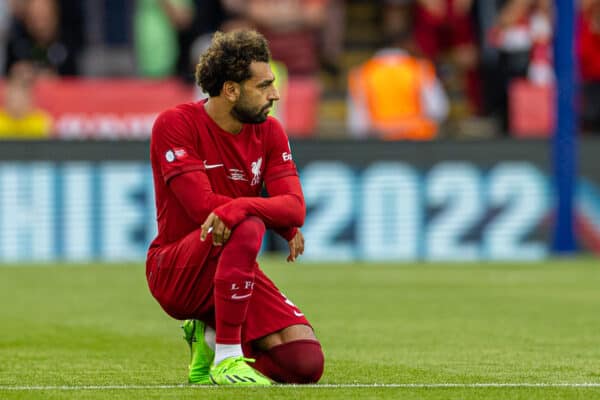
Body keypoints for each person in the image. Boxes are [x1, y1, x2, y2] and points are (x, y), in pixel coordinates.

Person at [146, 30, 324, 386]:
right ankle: (228, 358)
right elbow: (202, 210)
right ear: (230, 90)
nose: (275, 94)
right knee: (248, 226)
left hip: (234, 269)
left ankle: (209, 341)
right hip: (177, 269)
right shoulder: (175, 124)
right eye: (264, 85)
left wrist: (248, 207)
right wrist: (261, 215)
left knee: (305, 363)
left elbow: (294, 208)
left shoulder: (270, 132)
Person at [347, 30, 449, 140]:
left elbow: (357, 126)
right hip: (418, 145)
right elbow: (438, 111)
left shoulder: (361, 74)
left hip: (379, 146)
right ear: (406, 45)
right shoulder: (421, 69)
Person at [0, 61, 53, 138]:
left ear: (30, 99)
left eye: (22, 97)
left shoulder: (41, 122)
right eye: (14, 97)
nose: (17, 102)